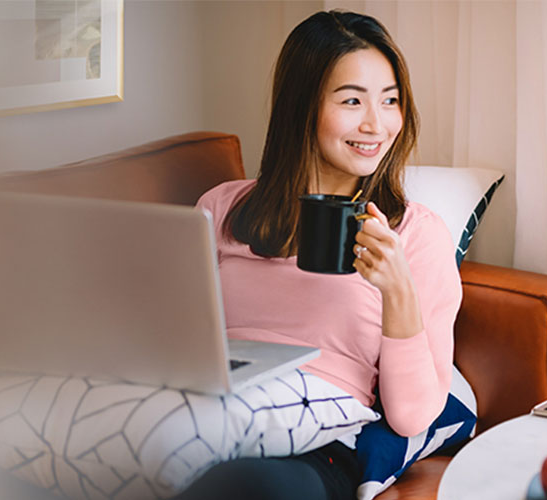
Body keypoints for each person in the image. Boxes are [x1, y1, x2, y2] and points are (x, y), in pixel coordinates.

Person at [180, 10, 462, 500]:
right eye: (353, 100)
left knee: (252, 485)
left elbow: (413, 415)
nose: (376, 124)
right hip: (211, 415)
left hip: (314, 441)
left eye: (390, 101)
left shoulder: (415, 235)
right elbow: (170, 337)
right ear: (302, 106)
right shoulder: (220, 208)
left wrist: (397, 291)